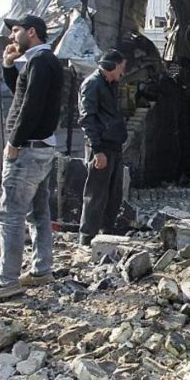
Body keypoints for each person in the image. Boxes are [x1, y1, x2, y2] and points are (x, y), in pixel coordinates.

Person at [0, 15, 63, 302]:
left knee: (10, 214)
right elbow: (22, 95)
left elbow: (31, 106)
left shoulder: (41, 62)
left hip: (28, 150)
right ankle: (41, 269)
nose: (12, 37)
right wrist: (9, 66)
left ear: (31, 32)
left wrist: (15, 141)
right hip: (40, 148)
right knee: (38, 211)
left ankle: (7, 281)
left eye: (16, 31)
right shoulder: (41, 62)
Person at [78, 50, 129, 247]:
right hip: (101, 146)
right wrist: (97, 149)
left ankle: (107, 232)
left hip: (114, 145)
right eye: (121, 68)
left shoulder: (110, 85)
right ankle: (87, 237)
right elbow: (87, 118)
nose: (122, 73)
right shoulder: (92, 84)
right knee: (96, 194)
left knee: (113, 194)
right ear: (111, 66)